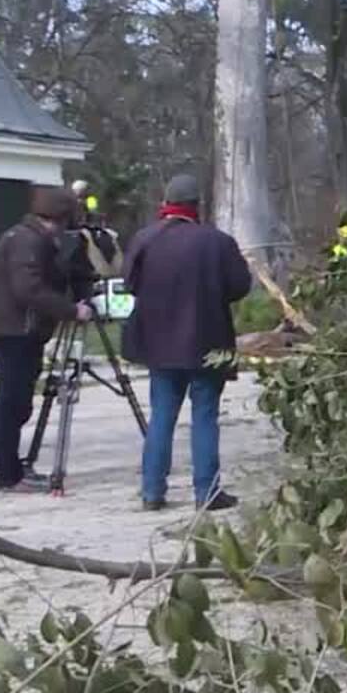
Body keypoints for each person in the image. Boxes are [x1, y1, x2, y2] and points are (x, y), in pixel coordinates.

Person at [124, 175, 252, 511]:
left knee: (162, 416)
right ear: (198, 205)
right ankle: (206, 492)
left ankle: (152, 491)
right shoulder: (218, 242)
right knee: (205, 417)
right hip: (208, 342)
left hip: (159, 343)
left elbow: (130, 284)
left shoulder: (144, 240)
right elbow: (240, 287)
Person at [0, 187, 94, 493]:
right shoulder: (27, 242)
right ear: (61, 216)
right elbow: (28, 290)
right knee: (11, 402)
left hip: (17, 331)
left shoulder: (27, 238)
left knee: (15, 402)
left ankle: (12, 469)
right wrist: (72, 310)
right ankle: (8, 475)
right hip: (14, 332)